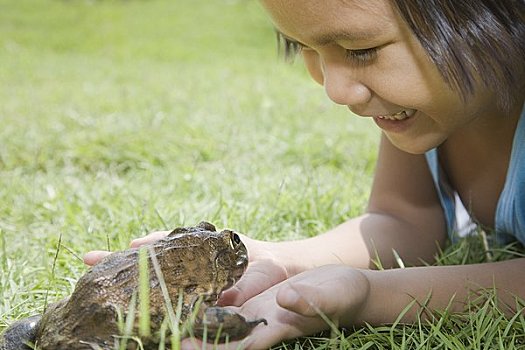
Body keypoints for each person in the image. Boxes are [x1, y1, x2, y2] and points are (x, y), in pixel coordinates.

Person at [84, 0, 525, 348]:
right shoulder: (428, 111)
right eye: (304, 47)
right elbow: (404, 219)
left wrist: (373, 296)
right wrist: (284, 259)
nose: (335, 91)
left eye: (360, 50)